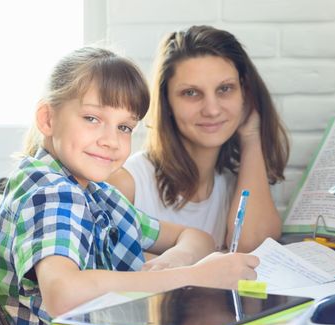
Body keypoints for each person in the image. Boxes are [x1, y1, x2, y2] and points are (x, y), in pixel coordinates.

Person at [0, 47, 259, 325]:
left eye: (124, 127)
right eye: (92, 118)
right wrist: (194, 277)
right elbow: (63, 293)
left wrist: (177, 258)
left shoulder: (97, 193)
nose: (111, 141)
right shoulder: (50, 191)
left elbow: (197, 236)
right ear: (47, 119)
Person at [108, 25, 290, 252]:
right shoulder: (128, 183)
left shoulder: (238, 183)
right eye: (191, 93)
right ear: (167, 102)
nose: (212, 110)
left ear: (245, 93)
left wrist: (251, 138)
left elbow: (255, 248)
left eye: (225, 89)